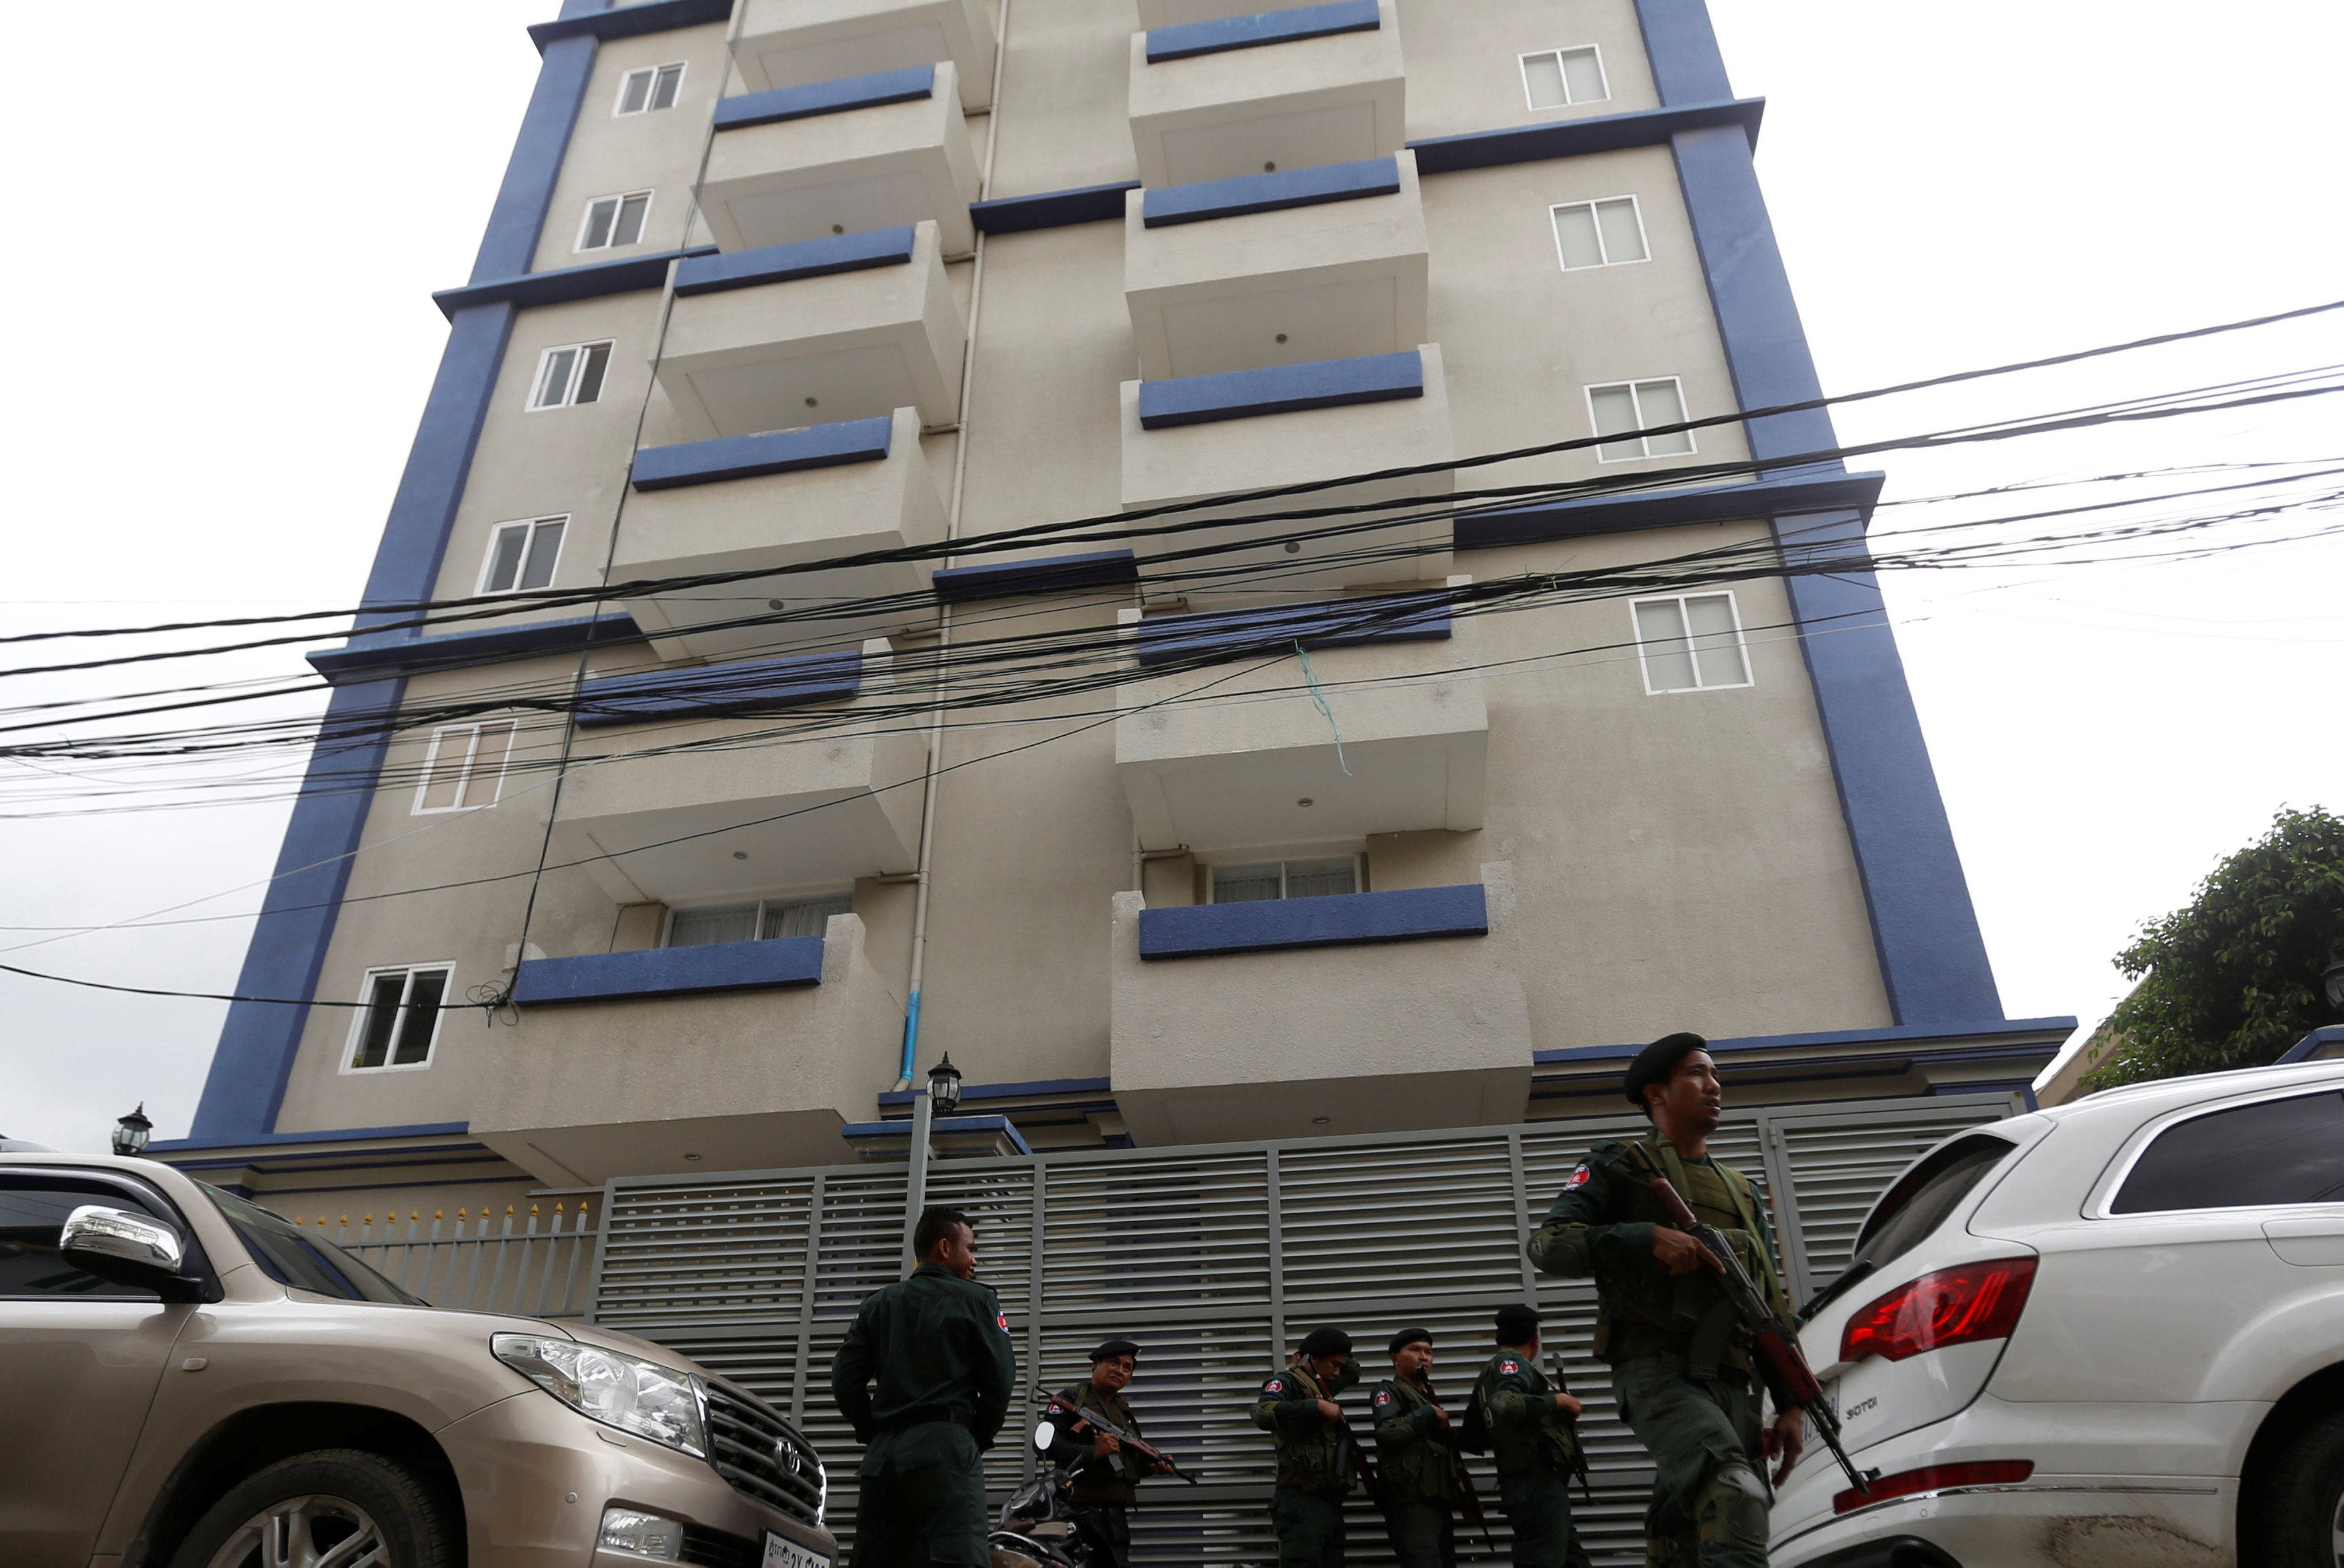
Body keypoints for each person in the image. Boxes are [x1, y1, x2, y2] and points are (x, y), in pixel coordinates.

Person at [1526, 1032, 1802, 1568]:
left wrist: (1789, 1400)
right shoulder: (1619, 1164)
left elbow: (1769, 1299)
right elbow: (1548, 1245)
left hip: (1732, 1378)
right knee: (1735, 1496)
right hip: (1658, 1369)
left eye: (1715, 1074)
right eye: (1697, 1074)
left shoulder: (1740, 1189)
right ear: (1656, 1093)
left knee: (1683, 1536)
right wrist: (1644, 1238)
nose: (1714, 1085)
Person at [829, 1206, 1018, 1568]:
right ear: (945, 1249)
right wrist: (972, 1438)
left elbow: (844, 1381)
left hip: (883, 1460)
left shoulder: (877, 1305)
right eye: (971, 1249)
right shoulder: (978, 1301)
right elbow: (1001, 1381)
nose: (975, 1260)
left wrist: (875, 1431)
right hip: (946, 1450)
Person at [1467, 1305, 1593, 1568]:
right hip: (1537, 1483)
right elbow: (1507, 1403)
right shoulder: (1512, 1364)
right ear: (1535, 1339)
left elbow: (1473, 1438)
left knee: (1573, 1561)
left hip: (1527, 1485)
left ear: (1497, 1338)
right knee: (1543, 1561)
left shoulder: (1486, 1376)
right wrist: (1558, 1401)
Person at [1044, 1337, 1163, 1568]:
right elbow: (1044, 1445)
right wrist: (1091, 1451)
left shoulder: (1123, 1411)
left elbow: (1126, 1463)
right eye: (1114, 1363)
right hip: (1079, 1513)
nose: (1120, 1370)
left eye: (1127, 1368)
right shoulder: (1071, 1399)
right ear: (1095, 1364)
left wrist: (1152, 1466)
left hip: (1115, 1515)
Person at [1249, 1327, 1362, 1568]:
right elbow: (1262, 1413)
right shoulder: (1287, 1383)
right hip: (1301, 1501)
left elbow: (1354, 1372)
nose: (1336, 1372)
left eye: (1339, 1365)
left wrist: (1337, 1349)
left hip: (1328, 1501)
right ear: (1312, 1359)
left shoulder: (1322, 1385)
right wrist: (1316, 1407)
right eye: (1332, 1364)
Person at [1370, 1326, 1459, 1568]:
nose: (1424, 1357)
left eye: (1429, 1352)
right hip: (1411, 1503)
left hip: (1437, 1502)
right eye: (1415, 1350)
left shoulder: (1426, 1397)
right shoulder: (1388, 1391)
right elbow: (1388, 1433)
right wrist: (1427, 1414)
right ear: (1395, 1358)